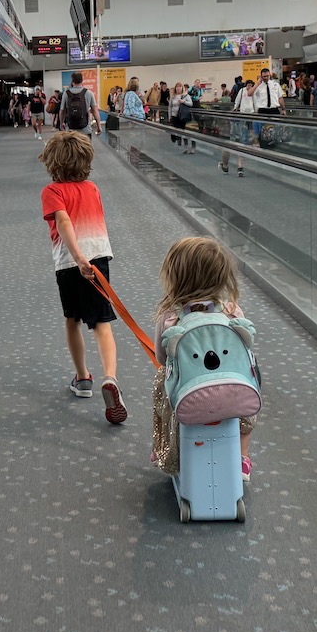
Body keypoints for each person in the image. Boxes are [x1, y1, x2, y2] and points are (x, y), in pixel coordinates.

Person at [149, 236, 257, 482]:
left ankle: (164, 447)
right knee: (246, 411)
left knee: (160, 387)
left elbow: (161, 358)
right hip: (233, 396)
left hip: (187, 396)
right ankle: (242, 457)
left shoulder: (170, 316)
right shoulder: (232, 310)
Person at [38, 131, 124, 425]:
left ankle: (83, 377)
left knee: (72, 319)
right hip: (98, 258)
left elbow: (63, 221)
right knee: (102, 323)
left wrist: (77, 258)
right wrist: (88, 259)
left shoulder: (52, 191)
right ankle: (110, 377)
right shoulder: (93, 188)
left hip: (69, 263)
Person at [56, 70, 100, 139]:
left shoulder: (66, 94)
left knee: (72, 149)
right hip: (85, 130)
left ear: (72, 80)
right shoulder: (89, 93)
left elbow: (62, 111)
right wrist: (99, 126)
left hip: (71, 130)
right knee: (86, 149)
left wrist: (61, 124)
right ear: (82, 80)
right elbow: (95, 111)